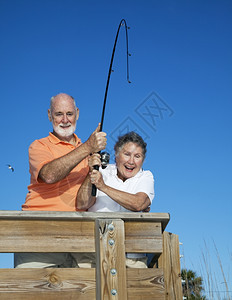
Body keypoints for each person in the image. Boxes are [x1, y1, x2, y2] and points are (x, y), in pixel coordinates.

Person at [14, 93, 107, 268]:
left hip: (80, 235)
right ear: (49, 115)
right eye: (58, 114)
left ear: (77, 114)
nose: (65, 120)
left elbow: (85, 201)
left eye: (69, 114)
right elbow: (49, 175)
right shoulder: (38, 146)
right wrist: (88, 147)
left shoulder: (89, 152)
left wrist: (91, 169)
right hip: (39, 231)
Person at [76, 131, 155, 268]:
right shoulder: (102, 170)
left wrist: (103, 187)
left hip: (132, 257)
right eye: (127, 154)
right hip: (93, 254)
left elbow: (138, 203)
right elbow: (82, 203)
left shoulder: (146, 176)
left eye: (137, 156)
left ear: (143, 160)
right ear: (116, 155)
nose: (131, 161)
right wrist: (91, 172)